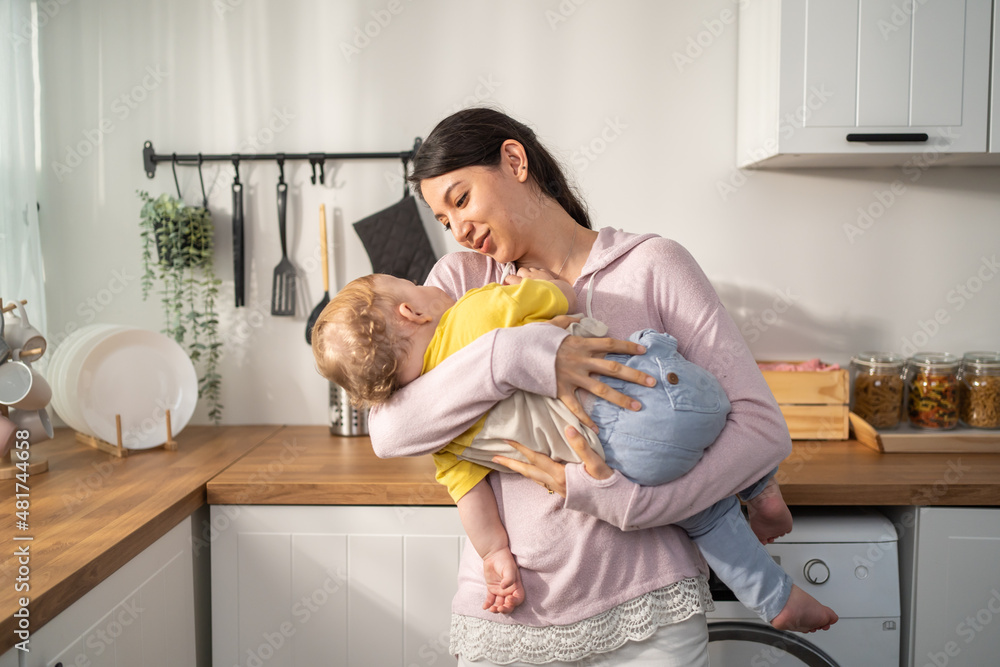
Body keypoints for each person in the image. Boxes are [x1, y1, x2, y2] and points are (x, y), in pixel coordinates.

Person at [363, 107, 827, 666]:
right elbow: (389, 430)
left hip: (650, 615)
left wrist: (633, 505)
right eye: (443, 219)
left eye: (461, 200)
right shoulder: (461, 284)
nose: (457, 230)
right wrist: (513, 354)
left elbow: (760, 430)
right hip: (511, 612)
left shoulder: (652, 266)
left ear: (514, 161)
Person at [311, 267, 839, 634]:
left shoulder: (444, 433)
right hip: (649, 393)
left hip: (622, 461)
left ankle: (775, 598)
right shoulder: (472, 312)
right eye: (412, 284)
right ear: (411, 310)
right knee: (716, 419)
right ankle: (762, 490)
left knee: (706, 514)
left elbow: (471, 502)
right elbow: (558, 298)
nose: (431, 284)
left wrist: (498, 557)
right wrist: (535, 287)